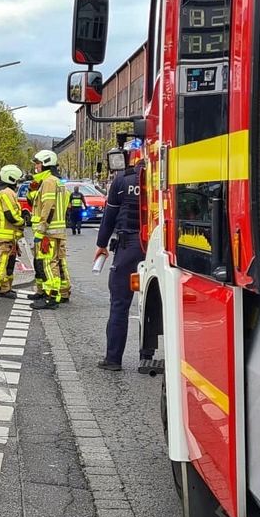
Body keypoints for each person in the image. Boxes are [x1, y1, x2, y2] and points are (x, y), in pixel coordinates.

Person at [95, 146, 156, 371]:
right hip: (156, 246)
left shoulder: (122, 181)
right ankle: (147, 354)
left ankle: (113, 359)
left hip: (128, 245)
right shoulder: (160, 178)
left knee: (120, 304)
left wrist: (101, 245)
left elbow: (109, 218)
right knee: (153, 302)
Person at [30, 150, 72, 310]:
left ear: (45, 164)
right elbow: (64, 202)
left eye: (38, 163)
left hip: (49, 232)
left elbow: (48, 207)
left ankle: (51, 297)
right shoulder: (58, 182)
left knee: (48, 263)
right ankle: (61, 292)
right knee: (58, 261)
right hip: (58, 230)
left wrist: (41, 230)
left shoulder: (48, 182)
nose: (36, 167)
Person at [0, 164, 26, 299]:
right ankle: (1, 287)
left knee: (8, 261)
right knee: (4, 261)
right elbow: (10, 215)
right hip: (6, 233)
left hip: (4, 233)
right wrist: (22, 222)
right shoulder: (7, 193)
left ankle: (5, 287)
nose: (17, 183)